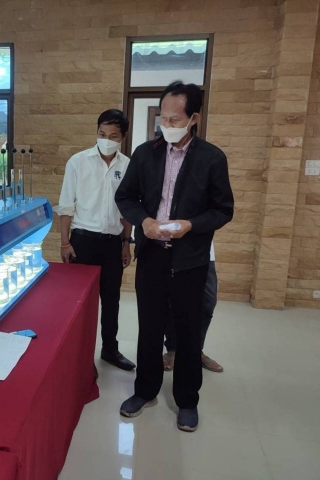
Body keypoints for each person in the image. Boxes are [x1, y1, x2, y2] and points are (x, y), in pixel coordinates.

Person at [115, 82, 234, 432]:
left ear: (193, 118)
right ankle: (145, 390)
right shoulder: (145, 153)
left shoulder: (212, 158)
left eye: (175, 119)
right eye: (163, 118)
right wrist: (144, 221)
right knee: (149, 326)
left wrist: (191, 225)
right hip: (152, 254)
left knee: (187, 331)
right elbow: (126, 198)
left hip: (190, 259)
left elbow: (223, 210)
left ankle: (187, 400)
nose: (167, 125)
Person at [54, 109, 136, 371]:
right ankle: (79, 356)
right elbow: (66, 206)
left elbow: (128, 209)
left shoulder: (128, 166)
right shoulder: (78, 162)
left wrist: (127, 242)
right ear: (97, 131)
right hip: (82, 242)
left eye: (113, 136)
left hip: (113, 243)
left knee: (111, 301)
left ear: (123, 137)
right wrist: (65, 243)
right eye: (102, 134)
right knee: (81, 303)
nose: (106, 140)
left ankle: (110, 350)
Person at [163, 243, 224, 373]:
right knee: (173, 302)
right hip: (174, 253)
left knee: (207, 303)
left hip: (204, 253)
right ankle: (172, 349)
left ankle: (196, 351)